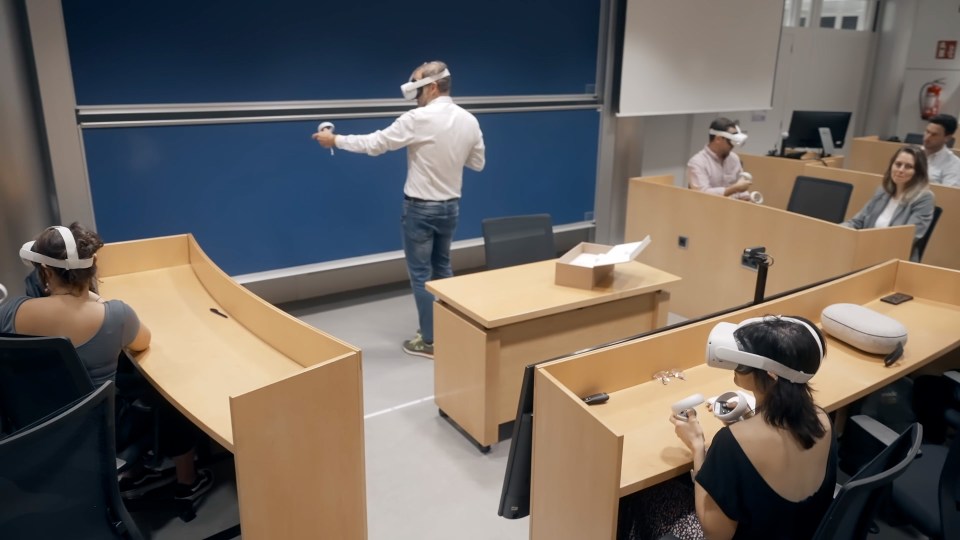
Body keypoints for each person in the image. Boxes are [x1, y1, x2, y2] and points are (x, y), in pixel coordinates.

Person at [0, 223, 213, 503]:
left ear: (46, 273)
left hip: (32, 431)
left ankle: (134, 472)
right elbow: (143, 342)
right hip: (101, 436)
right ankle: (188, 481)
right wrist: (94, 296)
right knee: (163, 388)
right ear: (92, 268)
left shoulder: (10, 311)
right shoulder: (116, 316)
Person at [313, 61, 485, 358]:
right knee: (442, 268)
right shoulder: (469, 120)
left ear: (432, 87)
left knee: (421, 275)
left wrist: (335, 140)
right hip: (450, 209)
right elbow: (477, 163)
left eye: (418, 87)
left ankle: (430, 341)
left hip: (420, 210)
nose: (416, 95)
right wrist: (450, 153)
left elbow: (376, 144)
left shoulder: (417, 119)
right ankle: (450, 332)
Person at [620, 315, 835, 540]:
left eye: (743, 364)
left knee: (642, 496)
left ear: (771, 375)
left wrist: (697, 447)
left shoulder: (732, 443)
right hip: (795, 532)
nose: (735, 368)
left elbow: (715, 533)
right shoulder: (823, 420)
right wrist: (750, 419)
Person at [841, 146, 935, 262]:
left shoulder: (924, 198)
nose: (900, 170)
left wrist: (866, 246)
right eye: (898, 164)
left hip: (895, 261)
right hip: (866, 253)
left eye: (908, 167)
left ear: (918, 173)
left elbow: (906, 239)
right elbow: (857, 222)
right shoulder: (882, 191)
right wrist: (838, 230)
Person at [686, 117, 753, 200]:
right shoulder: (697, 162)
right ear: (718, 139)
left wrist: (746, 198)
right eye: (730, 142)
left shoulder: (734, 159)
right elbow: (703, 193)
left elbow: (740, 185)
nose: (733, 146)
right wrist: (734, 189)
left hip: (733, 208)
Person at [922, 114, 960, 187]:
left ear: (947, 138)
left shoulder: (954, 164)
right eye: (927, 132)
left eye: (934, 134)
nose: (927, 138)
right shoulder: (912, 154)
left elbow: (946, 194)